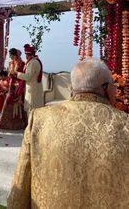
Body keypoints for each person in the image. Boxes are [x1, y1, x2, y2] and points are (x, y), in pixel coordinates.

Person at [7, 58, 129, 209]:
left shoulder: (40, 119)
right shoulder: (125, 125)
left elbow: (21, 182)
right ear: (106, 88)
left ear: (71, 88)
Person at [11, 44, 44, 117]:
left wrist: (17, 73)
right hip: (33, 87)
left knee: (32, 109)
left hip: (32, 88)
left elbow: (27, 76)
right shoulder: (34, 61)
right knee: (33, 108)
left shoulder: (33, 63)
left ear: (28, 54)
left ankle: (31, 127)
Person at [0, 48, 26, 130]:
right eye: (10, 55)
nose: (10, 56)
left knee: (18, 103)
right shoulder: (10, 63)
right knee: (9, 101)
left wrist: (15, 73)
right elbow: (10, 73)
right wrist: (10, 74)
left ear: (15, 55)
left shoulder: (22, 63)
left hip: (19, 85)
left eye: (11, 55)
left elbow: (23, 74)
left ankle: (19, 124)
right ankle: (6, 123)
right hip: (11, 85)